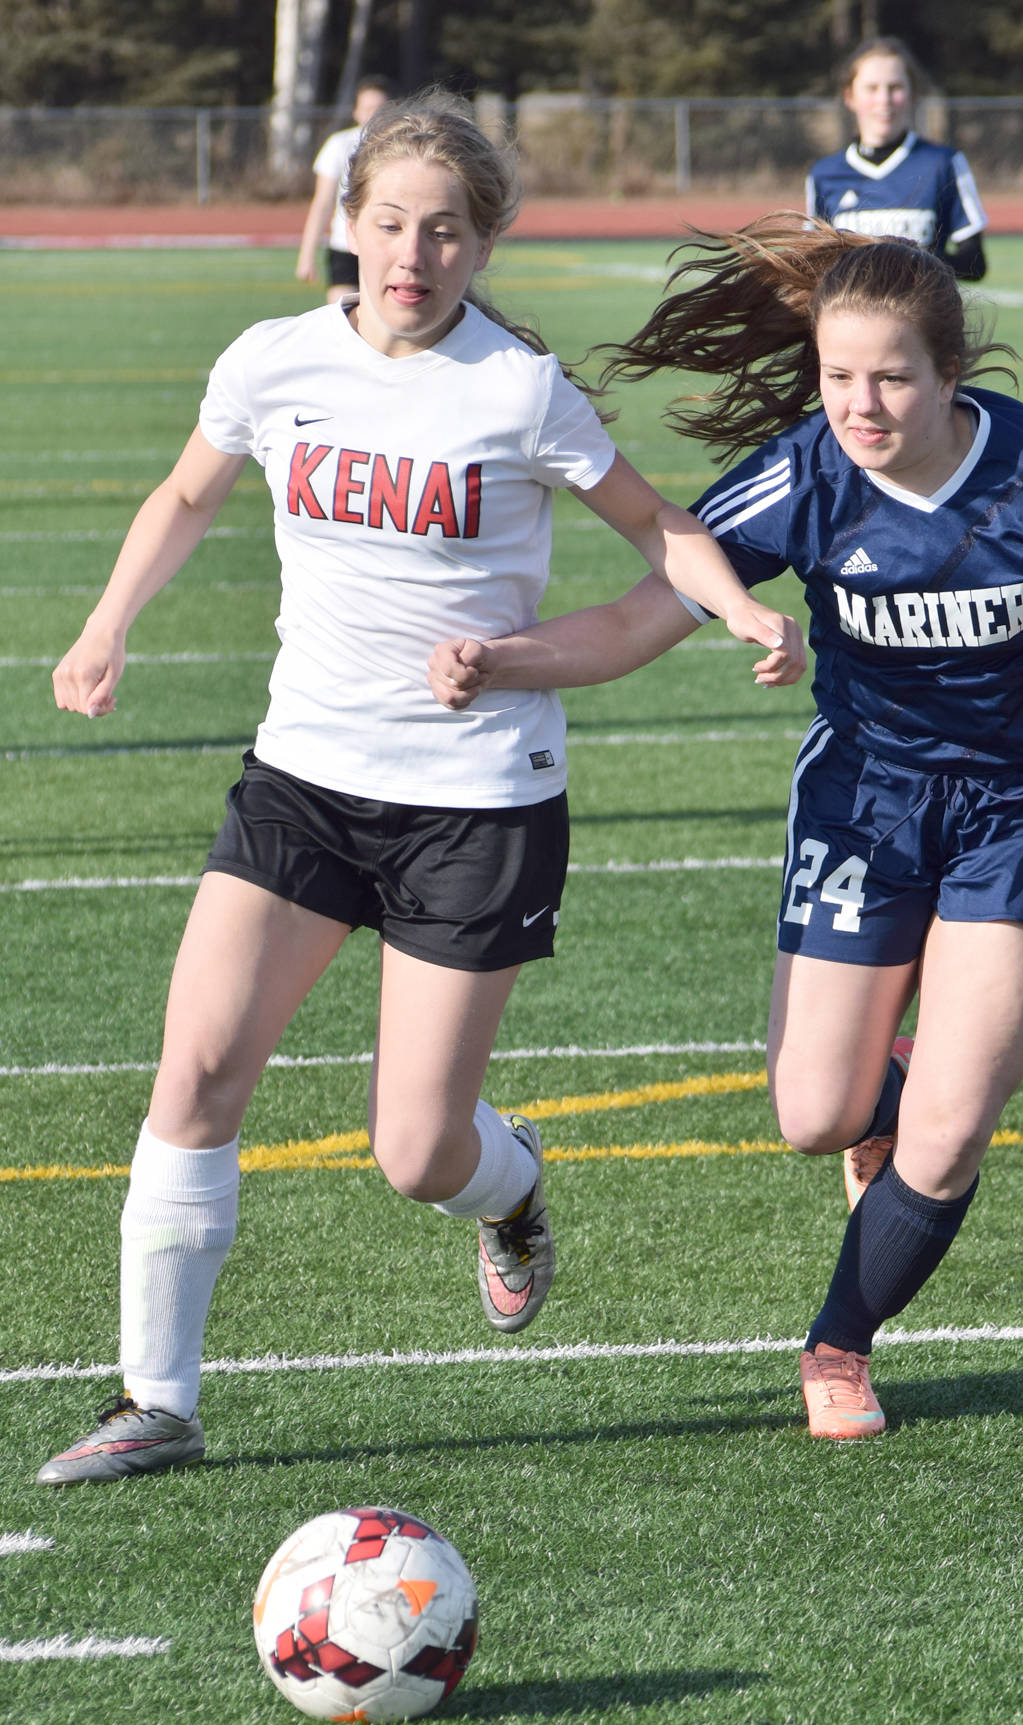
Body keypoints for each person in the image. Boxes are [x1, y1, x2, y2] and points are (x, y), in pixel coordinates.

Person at [38, 95, 804, 1486]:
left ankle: (509, 1196)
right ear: (346, 220)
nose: (411, 252)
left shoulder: (515, 387)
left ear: (481, 244)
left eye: (444, 229)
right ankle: (158, 1400)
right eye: (388, 221)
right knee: (199, 1068)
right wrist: (106, 624)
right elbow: (186, 497)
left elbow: (656, 524)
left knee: (415, 1148)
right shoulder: (273, 361)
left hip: (475, 800)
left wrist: (742, 616)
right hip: (304, 782)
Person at [427, 217, 1023, 1443]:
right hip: (863, 801)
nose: (861, 404)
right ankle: (877, 1098)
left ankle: (839, 1345)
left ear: (950, 375)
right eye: (838, 377)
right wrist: (504, 661)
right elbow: (639, 617)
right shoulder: (805, 476)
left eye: (891, 378)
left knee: (949, 1130)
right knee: (812, 1116)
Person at [805, 36, 988, 282]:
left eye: (895, 87)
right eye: (872, 88)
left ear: (912, 94)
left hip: (921, 316)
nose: (884, 100)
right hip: (852, 318)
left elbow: (975, 263)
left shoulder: (943, 163)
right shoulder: (824, 174)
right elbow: (812, 264)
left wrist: (910, 262)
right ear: (849, 96)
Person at [295, 74, 397, 301]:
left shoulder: (403, 147)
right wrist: (307, 254)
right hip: (345, 246)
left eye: (380, 108)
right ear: (357, 112)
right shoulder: (339, 145)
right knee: (342, 319)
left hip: (386, 247)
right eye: (368, 108)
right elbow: (322, 202)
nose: (374, 115)